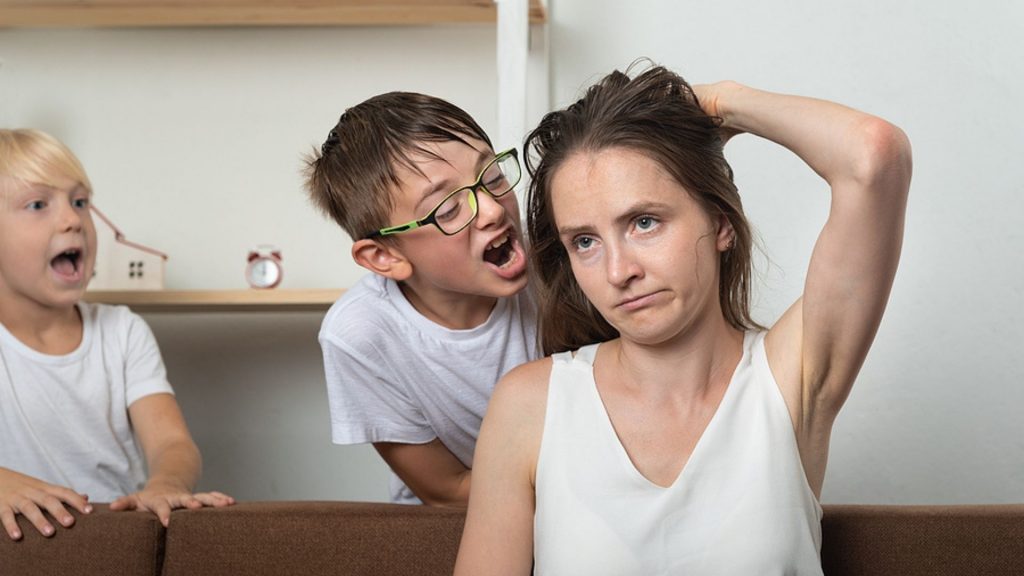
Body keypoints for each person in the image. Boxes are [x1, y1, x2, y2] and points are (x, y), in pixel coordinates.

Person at [455, 64, 912, 574]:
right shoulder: (529, 405)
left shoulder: (789, 379)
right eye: (585, 241)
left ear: (720, 223)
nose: (618, 271)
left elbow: (874, 156)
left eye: (644, 222)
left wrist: (722, 102)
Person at [304, 93, 538, 506]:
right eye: (447, 209)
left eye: (493, 174)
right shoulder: (359, 334)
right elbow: (447, 491)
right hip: (459, 519)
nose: (491, 210)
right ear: (385, 256)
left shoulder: (566, 260)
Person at [0, 129, 235, 541]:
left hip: (116, 542)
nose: (72, 219)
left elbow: (172, 444)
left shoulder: (122, 331)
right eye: (38, 204)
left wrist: (167, 483)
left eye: (80, 201)